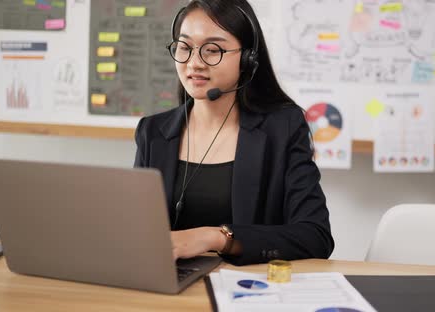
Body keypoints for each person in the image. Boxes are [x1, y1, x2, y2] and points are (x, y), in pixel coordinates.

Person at [134, 0, 334, 265]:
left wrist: (216, 237)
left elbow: (315, 236)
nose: (194, 63)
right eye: (184, 47)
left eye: (213, 49)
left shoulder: (282, 128)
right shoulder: (153, 132)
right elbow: (136, 231)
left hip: (248, 290)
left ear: (248, 59)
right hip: (169, 290)